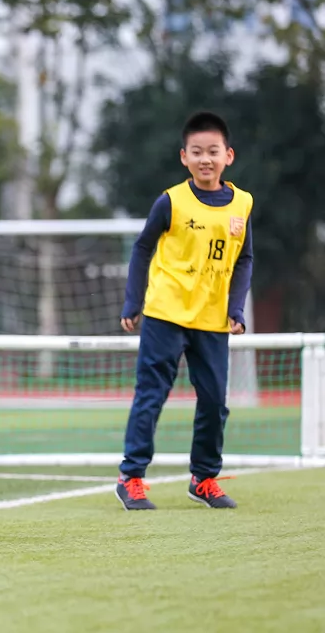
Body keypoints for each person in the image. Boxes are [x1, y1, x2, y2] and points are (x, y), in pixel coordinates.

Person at [115, 110, 253, 511]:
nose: (205, 159)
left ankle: (204, 478)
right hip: (165, 313)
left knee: (214, 401)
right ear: (184, 157)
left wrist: (236, 307)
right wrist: (133, 301)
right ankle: (132, 477)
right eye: (197, 152)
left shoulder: (242, 203)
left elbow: (245, 258)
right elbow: (142, 247)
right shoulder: (170, 201)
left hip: (212, 319)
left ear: (229, 155)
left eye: (213, 151)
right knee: (152, 395)